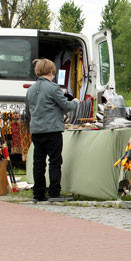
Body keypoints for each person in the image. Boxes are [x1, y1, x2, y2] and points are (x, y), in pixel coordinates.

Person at [25, 59, 79, 202]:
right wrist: (75, 102)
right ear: (51, 72)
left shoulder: (30, 90)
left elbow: (27, 112)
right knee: (54, 162)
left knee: (38, 163)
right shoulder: (53, 88)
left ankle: (38, 194)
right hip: (52, 130)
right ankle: (54, 193)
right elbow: (66, 106)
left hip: (36, 131)